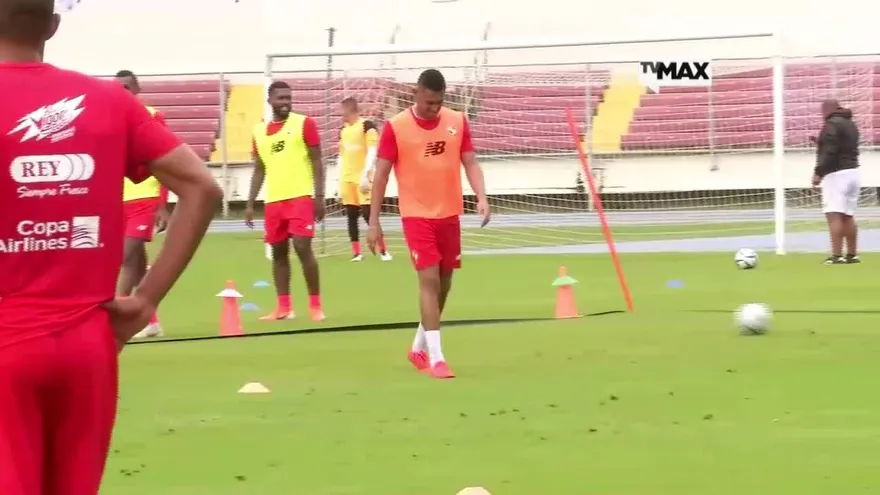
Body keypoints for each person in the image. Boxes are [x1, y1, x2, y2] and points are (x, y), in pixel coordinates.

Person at [0, 1, 221, 494]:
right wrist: (145, 300)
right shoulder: (108, 100)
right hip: (88, 346)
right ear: (53, 27)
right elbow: (202, 188)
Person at [367, 69, 490, 379]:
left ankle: (419, 347)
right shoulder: (396, 128)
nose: (434, 109)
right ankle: (437, 357)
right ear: (417, 94)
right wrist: (373, 221)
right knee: (429, 281)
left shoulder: (457, 122)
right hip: (416, 215)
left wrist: (482, 196)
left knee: (444, 284)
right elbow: (380, 175)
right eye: (429, 102)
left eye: (439, 103)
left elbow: (471, 161)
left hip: (449, 213)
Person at [245, 81, 326, 321]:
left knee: (302, 247)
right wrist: (250, 204)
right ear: (270, 100)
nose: (286, 102)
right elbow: (259, 168)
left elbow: (317, 161)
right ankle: (284, 307)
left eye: (289, 98)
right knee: (278, 253)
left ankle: (315, 305)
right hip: (273, 202)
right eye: (281, 98)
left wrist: (319, 197)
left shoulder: (304, 124)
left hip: (300, 197)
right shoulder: (259, 131)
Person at [116, 69, 169, 338]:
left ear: (137, 88)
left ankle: (116, 316)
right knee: (135, 263)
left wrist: (162, 203)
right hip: (120, 202)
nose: (122, 91)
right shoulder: (111, 120)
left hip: (145, 199)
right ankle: (151, 321)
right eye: (118, 87)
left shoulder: (152, 116)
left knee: (124, 257)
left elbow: (165, 160)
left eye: (127, 86)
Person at [336, 97, 391, 262]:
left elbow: (373, 151)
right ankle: (356, 253)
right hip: (347, 179)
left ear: (350, 110)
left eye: (342, 111)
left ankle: (383, 250)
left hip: (363, 179)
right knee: (351, 215)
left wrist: (366, 173)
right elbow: (341, 155)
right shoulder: (343, 130)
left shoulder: (367, 126)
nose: (340, 114)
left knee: (369, 215)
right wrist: (338, 179)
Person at [812, 99, 861, 264]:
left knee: (834, 214)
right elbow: (842, 146)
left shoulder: (831, 124)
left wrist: (818, 173)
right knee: (848, 215)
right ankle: (852, 255)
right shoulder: (850, 124)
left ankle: (836, 255)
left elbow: (830, 151)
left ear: (827, 110)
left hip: (837, 174)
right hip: (853, 171)